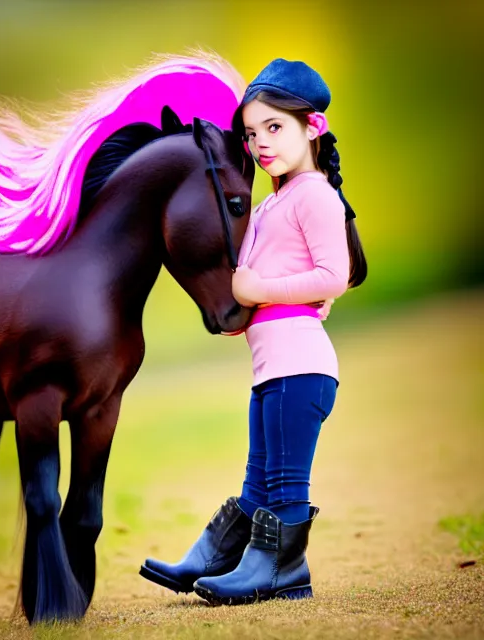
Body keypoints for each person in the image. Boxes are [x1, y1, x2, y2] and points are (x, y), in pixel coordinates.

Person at [140, 58, 367, 605]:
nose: (260, 143)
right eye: (251, 133)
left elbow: (333, 274)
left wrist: (258, 290)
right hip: (274, 370)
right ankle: (217, 556)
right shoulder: (272, 202)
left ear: (312, 127)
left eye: (274, 128)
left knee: (285, 484)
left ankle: (282, 571)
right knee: (258, 480)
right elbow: (283, 276)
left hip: (301, 369)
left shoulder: (315, 194)